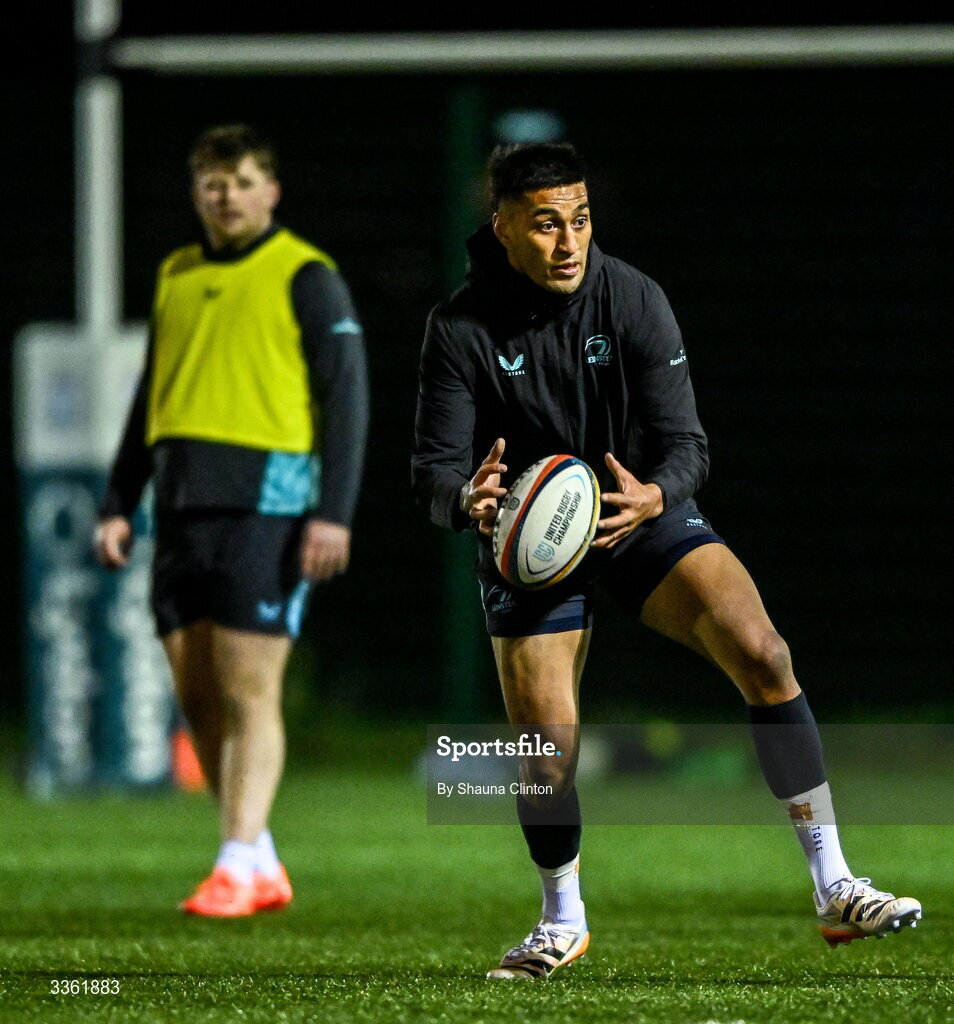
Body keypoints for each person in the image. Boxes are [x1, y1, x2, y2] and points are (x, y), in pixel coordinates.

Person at [411, 142, 921, 979]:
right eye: (545, 224)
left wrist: (655, 496)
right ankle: (560, 921)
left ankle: (836, 886)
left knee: (764, 652)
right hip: (529, 539)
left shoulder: (632, 296)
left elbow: (687, 443)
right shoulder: (460, 328)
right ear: (502, 228)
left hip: (633, 507)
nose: (569, 240)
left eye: (579, 219)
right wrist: (464, 499)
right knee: (545, 749)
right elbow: (432, 469)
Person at [95, 124, 369, 918]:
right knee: (200, 697)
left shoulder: (306, 274)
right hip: (180, 505)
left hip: (271, 504)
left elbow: (346, 396)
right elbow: (154, 391)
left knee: (252, 688)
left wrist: (334, 514)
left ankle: (235, 861)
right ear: (197, 192)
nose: (228, 195)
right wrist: (119, 499)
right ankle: (257, 857)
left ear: (271, 190)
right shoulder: (177, 272)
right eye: (214, 182)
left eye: (244, 180)